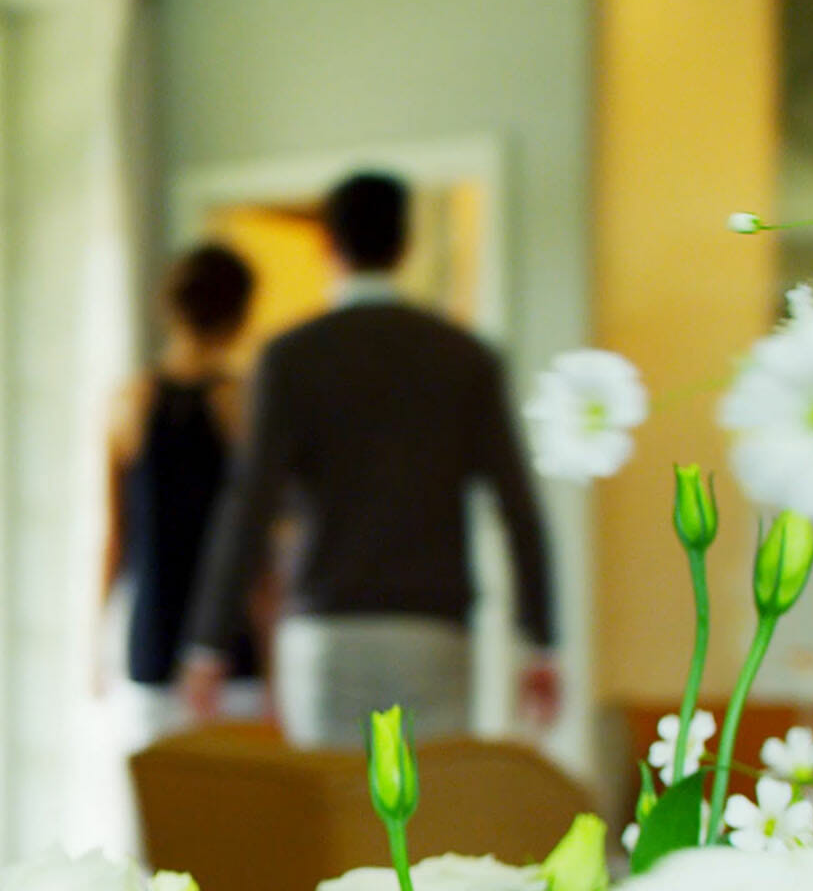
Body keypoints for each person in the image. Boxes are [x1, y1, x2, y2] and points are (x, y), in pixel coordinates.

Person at [180, 171, 557, 745]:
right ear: (406, 245)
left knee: (335, 817)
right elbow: (517, 506)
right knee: (429, 820)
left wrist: (209, 643)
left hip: (326, 630)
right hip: (434, 630)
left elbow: (249, 505)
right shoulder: (465, 358)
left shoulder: (290, 358)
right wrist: (540, 640)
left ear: (329, 245)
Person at [103, 243, 263, 749]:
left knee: (162, 812)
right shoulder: (238, 403)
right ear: (239, 315)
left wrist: (98, 639)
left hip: (152, 629)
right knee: (234, 812)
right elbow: (256, 536)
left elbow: (115, 536)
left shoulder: (129, 401)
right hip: (227, 641)